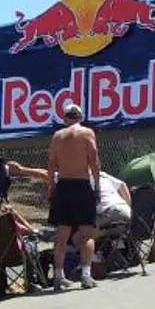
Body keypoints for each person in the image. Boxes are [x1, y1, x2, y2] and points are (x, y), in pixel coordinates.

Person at [47, 103, 101, 290]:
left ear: (65, 118)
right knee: (87, 233)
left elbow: (52, 163)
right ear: (80, 118)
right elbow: (94, 160)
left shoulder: (57, 136)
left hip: (63, 185)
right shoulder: (87, 133)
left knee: (62, 234)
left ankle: (58, 275)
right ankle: (86, 274)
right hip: (81, 184)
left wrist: (52, 187)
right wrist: (98, 185)